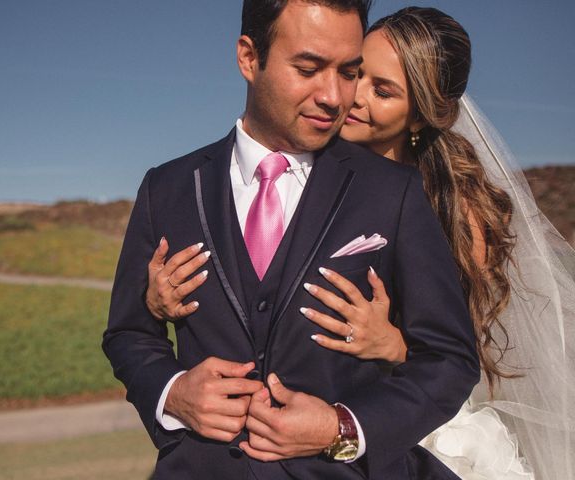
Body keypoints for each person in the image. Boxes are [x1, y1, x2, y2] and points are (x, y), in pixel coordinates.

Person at [146, 7, 575, 480]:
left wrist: (395, 346)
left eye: (383, 90)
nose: (349, 97)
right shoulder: (290, 161)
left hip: (405, 429)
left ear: (422, 114)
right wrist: (160, 302)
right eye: (356, 73)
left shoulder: (443, 206)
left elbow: (456, 355)